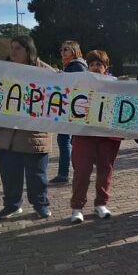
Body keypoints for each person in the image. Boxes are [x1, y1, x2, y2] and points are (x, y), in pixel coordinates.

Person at [0, 36, 54, 220]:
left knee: (37, 175)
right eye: (12, 48)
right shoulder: (1, 72)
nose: (13, 51)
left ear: (29, 50)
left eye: (18, 48)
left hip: (34, 134)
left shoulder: (45, 72)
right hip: (6, 134)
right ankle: (12, 205)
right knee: (9, 174)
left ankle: (41, 205)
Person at [69, 50, 122, 223]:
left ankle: (101, 203)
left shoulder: (115, 85)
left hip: (107, 136)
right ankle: (77, 207)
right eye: (91, 64)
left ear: (105, 68)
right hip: (84, 134)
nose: (95, 68)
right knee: (82, 171)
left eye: (99, 64)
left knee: (105, 170)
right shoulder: (79, 83)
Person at [51, 40, 88, 185]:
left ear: (74, 51)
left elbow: (78, 86)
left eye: (66, 49)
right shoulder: (71, 66)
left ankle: (64, 174)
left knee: (64, 139)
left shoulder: (77, 66)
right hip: (69, 108)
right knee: (69, 140)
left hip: (73, 109)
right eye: (61, 49)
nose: (62, 52)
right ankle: (72, 173)